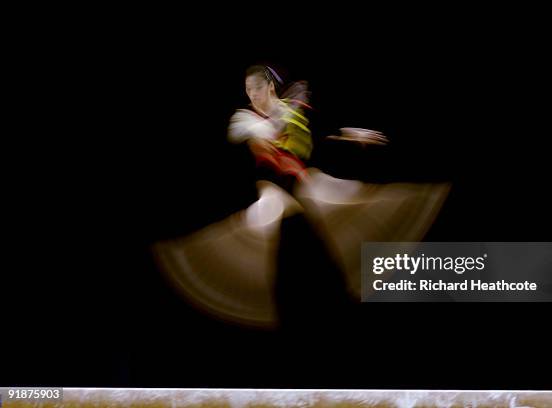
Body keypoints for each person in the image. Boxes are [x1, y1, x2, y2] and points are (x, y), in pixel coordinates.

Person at [153, 64, 450, 328]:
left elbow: (318, 132)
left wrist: (350, 133)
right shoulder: (244, 117)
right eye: (247, 90)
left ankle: (390, 236)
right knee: (253, 227)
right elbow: (257, 137)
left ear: (269, 86)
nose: (252, 94)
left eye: (256, 88)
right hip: (274, 189)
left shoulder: (292, 105)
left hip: (305, 180)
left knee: (355, 194)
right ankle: (204, 266)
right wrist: (282, 117)